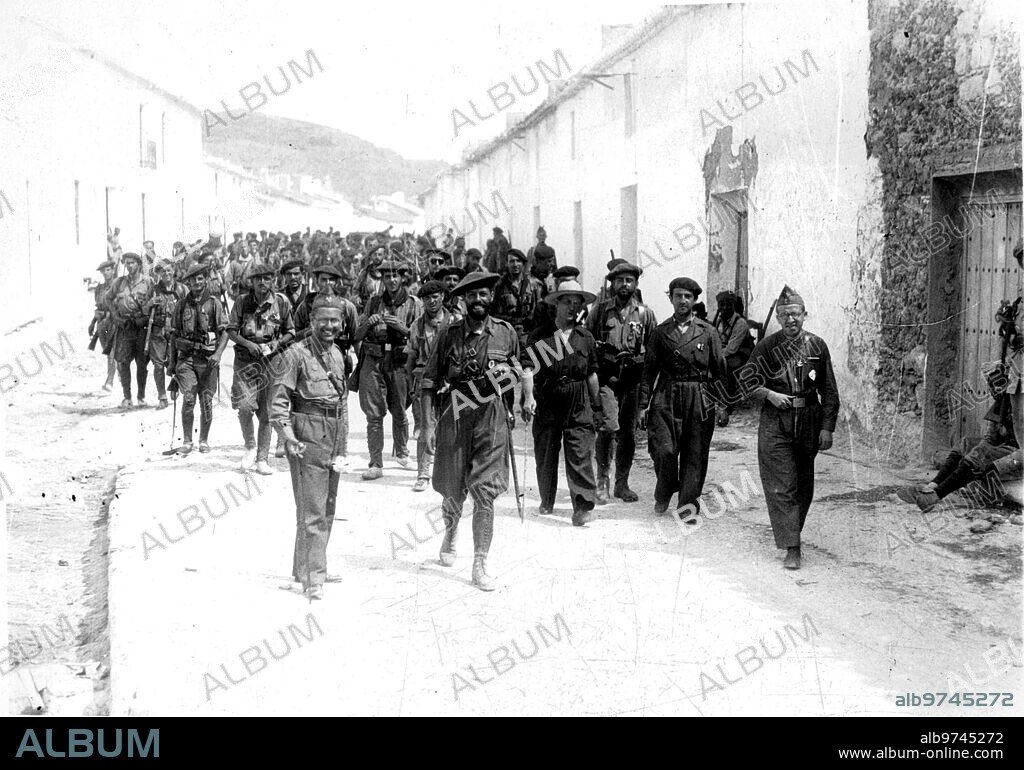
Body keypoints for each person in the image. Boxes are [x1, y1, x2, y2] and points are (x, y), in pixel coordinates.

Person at [422, 270, 522, 590]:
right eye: (471, 295)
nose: (477, 300)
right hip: (455, 412)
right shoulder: (448, 335)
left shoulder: (506, 333)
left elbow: (519, 371)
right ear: (463, 300)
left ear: (490, 298)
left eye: (483, 295)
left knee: (485, 491)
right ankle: (451, 531)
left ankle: (480, 562)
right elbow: (427, 382)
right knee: (452, 489)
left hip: (491, 416)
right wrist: (427, 427)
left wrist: (510, 385)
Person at [742, 286, 839, 570]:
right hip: (775, 423)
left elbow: (829, 391)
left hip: (808, 420)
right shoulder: (767, 347)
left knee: (803, 486)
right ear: (780, 318)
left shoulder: (818, 346)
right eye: (785, 315)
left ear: (804, 315)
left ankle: (791, 532)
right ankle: (792, 547)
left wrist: (827, 428)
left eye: (795, 314)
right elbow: (746, 382)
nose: (790, 320)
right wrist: (769, 394)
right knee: (781, 485)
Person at [271, 294, 351, 601]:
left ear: (342, 323)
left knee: (327, 507)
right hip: (308, 433)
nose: (329, 326)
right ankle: (314, 578)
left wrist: (343, 446)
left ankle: (305, 568)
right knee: (312, 510)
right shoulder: (295, 355)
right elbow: (278, 402)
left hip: (334, 435)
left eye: (335, 321)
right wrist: (289, 437)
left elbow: (342, 401)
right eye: (323, 320)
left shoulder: (339, 354)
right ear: (312, 321)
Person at [638, 277, 725, 518]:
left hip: (699, 395)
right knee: (663, 450)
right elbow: (648, 372)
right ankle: (664, 489)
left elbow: (720, 370)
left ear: (695, 300)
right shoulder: (660, 332)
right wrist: (643, 405)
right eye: (678, 296)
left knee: (695, 453)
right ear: (671, 299)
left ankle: (687, 506)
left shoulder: (708, 332)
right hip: (666, 394)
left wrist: (724, 404)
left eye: (688, 296)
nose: (683, 300)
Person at [521, 280, 601, 526]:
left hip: (578, 399)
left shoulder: (584, 336)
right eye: (567, 302)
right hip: (548, 396)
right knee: (546, 452)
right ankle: (547, 498)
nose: (572, 307)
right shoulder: (541, 335)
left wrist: (596, 406)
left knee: (580, 451)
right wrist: (528, 397)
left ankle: (583, 505)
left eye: (576, 303)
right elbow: (527, 369)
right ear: (556, 303)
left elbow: (592, 374)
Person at [587, 262, 657, 503]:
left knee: (628, 434)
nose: (624, 285)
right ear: (612, 284)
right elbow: (587, 343)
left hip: (633, 380)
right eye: (620, 281)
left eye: (629, 280)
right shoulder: (600, 311)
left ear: (636, 284)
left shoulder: (645, 314)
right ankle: (602, 481)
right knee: (608, 428)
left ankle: (622, 483)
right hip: (607, 379)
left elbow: (653, 350)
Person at [354, 259, 421, 480]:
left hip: (400, 362)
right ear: (382, 279)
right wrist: (368, 323)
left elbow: (421, 337)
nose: (392, 280)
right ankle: (375, 462)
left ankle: (402, 453)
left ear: (403, 278)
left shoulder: (413, 304)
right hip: (374, 360)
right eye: (387, 276)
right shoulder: (374, 302)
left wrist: (402, 328)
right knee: (374, 414)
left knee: (400, 410)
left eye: (396, 276)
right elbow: (357, 335)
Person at [227, 263, 295, 475]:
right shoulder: (241, 302)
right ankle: (250, 445)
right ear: (251, 281)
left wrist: (278, 343)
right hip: (246, 360)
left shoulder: (281, 302)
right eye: (258, 279)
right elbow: (231, 330)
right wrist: (248, 344)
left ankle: (262, 459)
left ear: (272, 280)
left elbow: (291, 331)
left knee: (266, 412)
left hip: (271, 361)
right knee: (245, 406)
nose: (262, 283)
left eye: (266, 278)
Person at [899, 396, 1018, 511]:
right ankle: (933, 485)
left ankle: (934, 496)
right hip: (1001, 449)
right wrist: (975, 452)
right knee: (965, 443)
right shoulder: (1004, 399)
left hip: (1016, 456)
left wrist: (996, 465)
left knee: (981, 454)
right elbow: (989, 437)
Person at [168, 263, 229, 454]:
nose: (197, 282)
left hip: (208, 360)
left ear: (205, 280)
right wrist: (171, 363)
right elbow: (173, 334)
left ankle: (203, 440)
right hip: (186, 360)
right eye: (193, 279)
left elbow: (225, 331)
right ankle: (187, 440)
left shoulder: (213, 303)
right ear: (189, 282)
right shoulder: (181, 305)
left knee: (206, 402)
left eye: (200, 278)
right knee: (188, 399)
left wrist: (218, 354)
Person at [407, 279, 454, 492]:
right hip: (425, 380)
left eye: (435, 297)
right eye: (427, 299)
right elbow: (411, 356)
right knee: (426, 427)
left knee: (451, 425)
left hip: (450, 381)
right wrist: (411, 383)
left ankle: (450, 472)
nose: (432, 302)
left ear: (442, 297)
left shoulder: (455, 322)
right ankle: (423, 473)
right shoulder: (417, 325)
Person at [109, 252, 153, 408]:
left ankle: (141, 397)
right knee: (123, 362)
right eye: (126, 263)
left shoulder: (148, 282)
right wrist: (115, 317)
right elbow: (108, 299)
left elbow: (153, 304)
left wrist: (145, 318)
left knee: (142, 363)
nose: (129, 266)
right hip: (125, 326)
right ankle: (127, 397)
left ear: (139, 264)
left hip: (141, 326)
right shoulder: (119, 283)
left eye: (132, 263)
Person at [144, 260, 187, 409]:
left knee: (176, 362)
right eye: (163, 271)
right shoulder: (154, 290)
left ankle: (174, 384)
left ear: (174, 271)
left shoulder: (182, 289)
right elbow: (144, 310)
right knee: (158, 365)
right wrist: (150, 303)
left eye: (169, 270)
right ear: (158, 274)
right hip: (158, 331)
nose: (166, 274)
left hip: (176, 332)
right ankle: (162, 396)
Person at [714, 290, 754, 427]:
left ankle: (727, 403)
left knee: (727, 367)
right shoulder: (719, 321)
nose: (724, 308)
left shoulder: (740, 323)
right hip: (724, 352)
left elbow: (732, 348)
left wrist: (715, 356)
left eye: (728, 305)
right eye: (721, 305)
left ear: (733, 306)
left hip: (742, 355)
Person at [491, 248, 541, 353]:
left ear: (523, 264)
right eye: (511, 261)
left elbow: (537, 310)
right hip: (505, 333)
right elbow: (493, 312)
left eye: (518, 261)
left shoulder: (533, 284)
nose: (515, 264)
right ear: (507, 264)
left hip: (526, 334)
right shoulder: (499, 286)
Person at [89, 259, 119, 392]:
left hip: (114, 320)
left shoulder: (118, 286)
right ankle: (114, 373)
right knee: (108, 352)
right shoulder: (99, 288)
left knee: (112, 350)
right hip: (101, 322)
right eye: (103, 271)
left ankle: (110, 380)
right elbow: (97, 306)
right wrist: (92, 323)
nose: (106, 273)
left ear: (113, 270)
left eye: (108, 270)